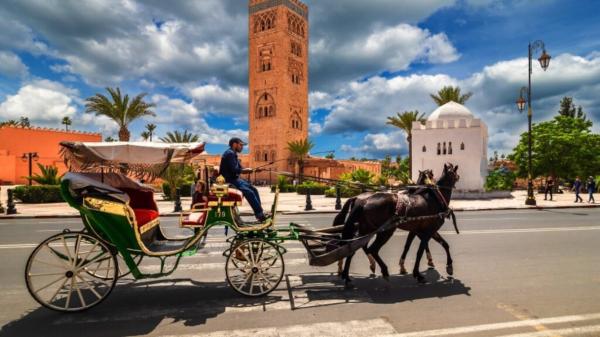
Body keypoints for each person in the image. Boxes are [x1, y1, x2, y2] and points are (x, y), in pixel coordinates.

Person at [220, 137, 268, 222]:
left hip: (235, 179)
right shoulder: (229, 154)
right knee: (249, 192)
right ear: (234, 144)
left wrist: (254, 170)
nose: (242, 147)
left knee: (254, 189)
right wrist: (246, 170)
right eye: (241, 145)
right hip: (229, 180)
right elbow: (235, 170)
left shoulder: (233, 154)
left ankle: (259, 213)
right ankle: (260, 215)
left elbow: (241, 169)